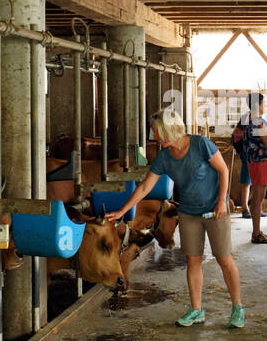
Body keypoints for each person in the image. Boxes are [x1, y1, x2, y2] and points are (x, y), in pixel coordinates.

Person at [104, 109, 245, 328]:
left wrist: (221, 202)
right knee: (193, 260)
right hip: (189, 213)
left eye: (157, 133)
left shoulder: (201, 145)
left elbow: (223, 170)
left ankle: (237, 308)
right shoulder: (164, 157)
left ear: (168, 130)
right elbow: (145, 187)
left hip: (215, 211)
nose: (155, 137)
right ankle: (196, 310)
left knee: (224, 259)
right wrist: (123, 211)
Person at [233, 92, 267, 244]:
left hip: (253, 160)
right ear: (256, 105)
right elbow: (266, 142)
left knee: (257, 198)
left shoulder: (249, 119)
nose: (265, 105)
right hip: (261, 161)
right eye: (263, 103)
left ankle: (257, 231)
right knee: (258, 199)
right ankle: (256, 233)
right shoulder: (258, 121)